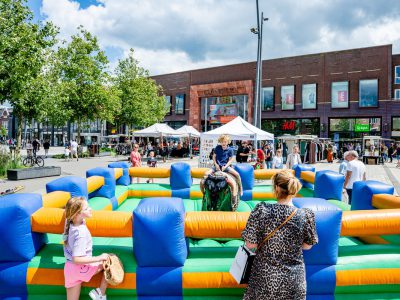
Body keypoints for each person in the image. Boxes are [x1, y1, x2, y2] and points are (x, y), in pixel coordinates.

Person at [242, 170, 318, 299]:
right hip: (294, 279)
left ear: (276, 188)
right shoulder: (305, 215)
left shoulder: (261, 210)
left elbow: (250, 244)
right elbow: (307, 246)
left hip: (265, 278)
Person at [63, 197, 109, 300]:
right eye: (87, 208)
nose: (91, 209)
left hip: (69, 270)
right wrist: (99, 257)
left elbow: (69, 210)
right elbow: (77, 259)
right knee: (111, 260)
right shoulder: (81, 233)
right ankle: (100, 293)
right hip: (82, 268)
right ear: (78, 213)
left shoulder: (69, 221)